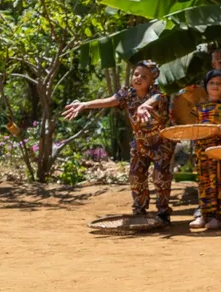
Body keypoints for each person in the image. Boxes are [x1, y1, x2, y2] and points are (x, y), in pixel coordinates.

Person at [62, 61, 174, 226]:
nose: (138, 78)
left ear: (152, 80)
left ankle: (163, 213)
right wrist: (85, 105)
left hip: (162, 143)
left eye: (144, 76)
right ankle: (139, 211)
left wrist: (144, 106)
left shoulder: (159, 93)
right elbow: (109, 101)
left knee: (160, 177)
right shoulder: (127, 94)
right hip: (140, 143)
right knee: (136, 177)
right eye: (136, 74)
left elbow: (154, 100)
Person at [191, 69, 221, 230]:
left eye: (219, 83)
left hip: (220, 149)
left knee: (220, 183)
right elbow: (193, 128)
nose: (215, 86)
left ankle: (219, 217)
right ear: (206, 85)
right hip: (202, 150)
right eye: (211, 83)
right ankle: (204, 215)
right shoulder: (199, 107)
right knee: (204, 182)